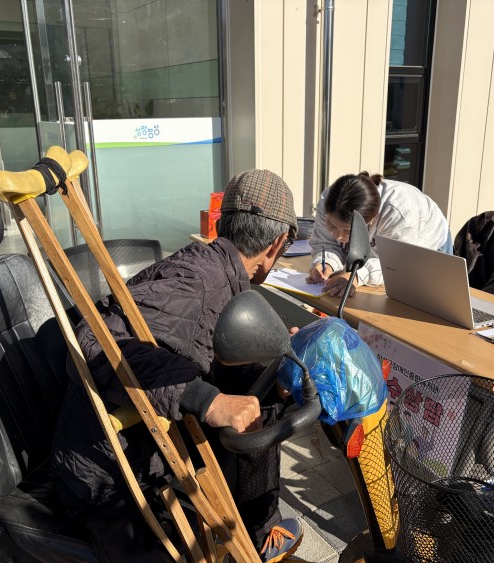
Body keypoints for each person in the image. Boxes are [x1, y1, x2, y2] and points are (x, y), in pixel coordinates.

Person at [52, 169, 303, 562]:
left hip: (140, 443)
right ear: (275, 245)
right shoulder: (198, 281)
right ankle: (254, 532)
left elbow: (201, 355)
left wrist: (275, 378)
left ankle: (258, 531)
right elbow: (94, 343)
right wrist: (207, 400)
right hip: (107, 472)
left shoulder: (217, 271)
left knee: (262, 406)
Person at [308, 172, 451, 296]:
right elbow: (326, 243)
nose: (339, 236)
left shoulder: (400, 212)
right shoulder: (329, 199)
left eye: (348, 231)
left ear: (372, 219)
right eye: (332, 225)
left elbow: (397, 266)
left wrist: (357, 275)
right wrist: (326, 263)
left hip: (428, 247)